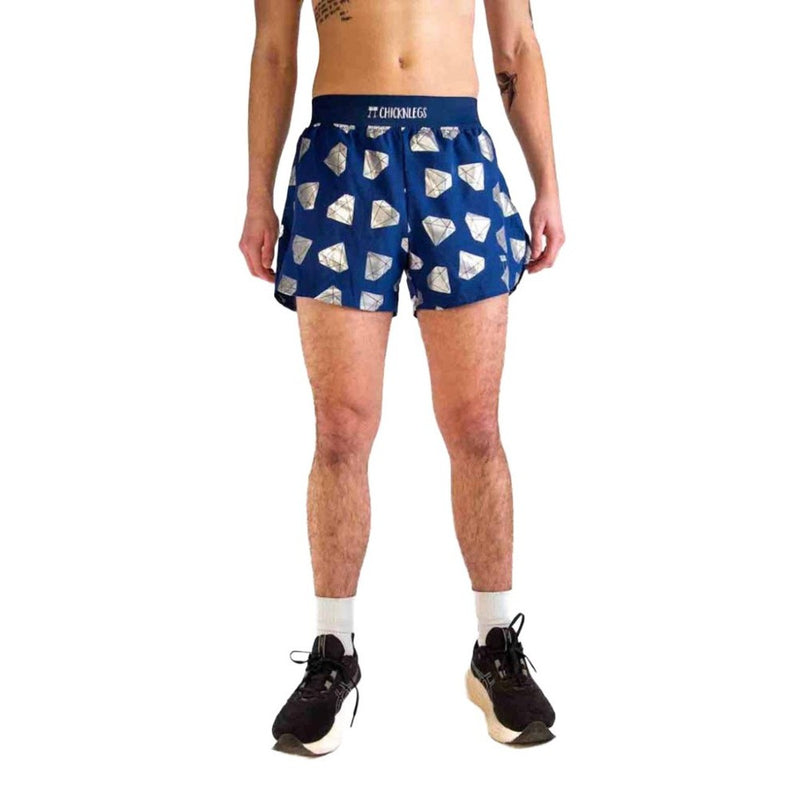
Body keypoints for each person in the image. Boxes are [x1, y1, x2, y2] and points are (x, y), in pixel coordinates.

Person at [239, 0, 565, 756]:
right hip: (338, 159)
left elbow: (517, 44)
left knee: (476, 425)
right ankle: (334, 651)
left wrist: (548, 182)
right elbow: (274, 51)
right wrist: (257, 193)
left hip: (457, 156)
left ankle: (494, 644)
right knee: (341, 430)